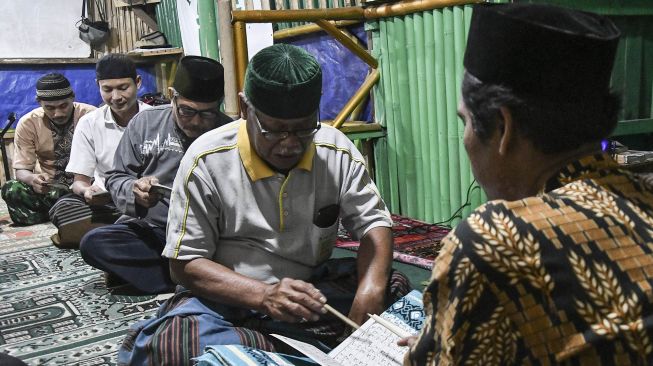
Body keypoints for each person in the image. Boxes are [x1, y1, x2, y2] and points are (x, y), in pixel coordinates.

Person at [118, 44, 410, 365]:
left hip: (308, 292)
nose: (289, 143)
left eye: (303, 129)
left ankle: (264, 348)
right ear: (245, 108)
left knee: (392, 286)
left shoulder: (334, 149)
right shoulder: (206, 159)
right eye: (273, 130)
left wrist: (369, 292)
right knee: (175, 341)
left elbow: (374, 225)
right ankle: (287, 346)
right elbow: (184, 265)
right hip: (227, 298)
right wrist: (264, 296)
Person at [404, 4, 653, 365]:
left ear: (502, 128)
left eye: (466, 122)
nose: (466, 138)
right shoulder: (643, 196)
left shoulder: (493, 242)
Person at [79, 55, 232, 294]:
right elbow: (116, 177)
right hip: (156, 230)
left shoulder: (229, 133)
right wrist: (134, 190)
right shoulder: (145, 123)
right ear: (173, 97)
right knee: (94, 243)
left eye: (206, 114)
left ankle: (180, 276)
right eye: (186, 111)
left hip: (210, 237)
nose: (195, 122)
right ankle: (194, 278)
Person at [48, 54, 152, 248]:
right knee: (63, 208)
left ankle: (114, 234)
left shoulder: (155, 119)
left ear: (137, 83)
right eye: (108, 89)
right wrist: (87, 191)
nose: (116, 97)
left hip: (148, 201)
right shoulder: (89, 124)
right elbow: (79, 182)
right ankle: (130, 232)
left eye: (123, 88)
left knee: (165, 212)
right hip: (108, 203)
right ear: (98, 86)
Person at [1, 73, 95, 225]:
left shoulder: (92, 116)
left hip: (88, 188)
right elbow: (21, 170)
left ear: (72, 97)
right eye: (50, 108)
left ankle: (64, 214)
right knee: (11, 189)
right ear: (39, 102)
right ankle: (67, 213)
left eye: (63, 105)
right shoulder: (28, 123)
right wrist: (32, 179)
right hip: (51, 190)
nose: (58, 113)